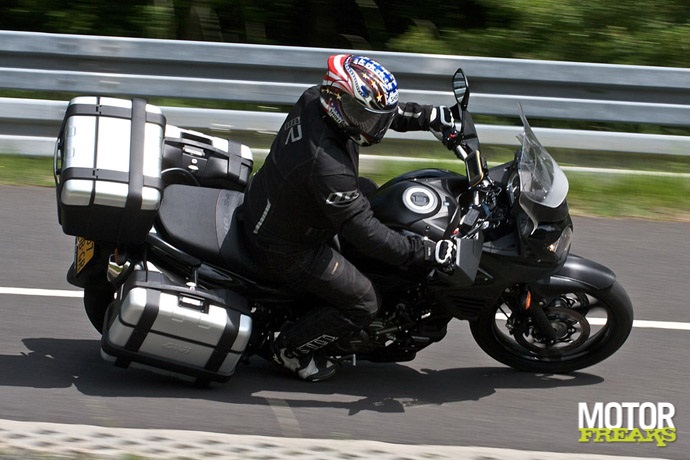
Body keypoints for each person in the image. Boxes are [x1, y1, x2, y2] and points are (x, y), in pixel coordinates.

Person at [241, 54, 456, 382]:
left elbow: (378, 112)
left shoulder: (317, 98)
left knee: (374, 194)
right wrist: (424, 252)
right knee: (364, 301)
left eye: (374, 118)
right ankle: (290, 349)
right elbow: (364, 231)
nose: (374, 127)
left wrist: (431, 116)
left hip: (279, 200)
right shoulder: (327, 165)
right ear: (337, 102)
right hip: (284, 246)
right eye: (364, 117)